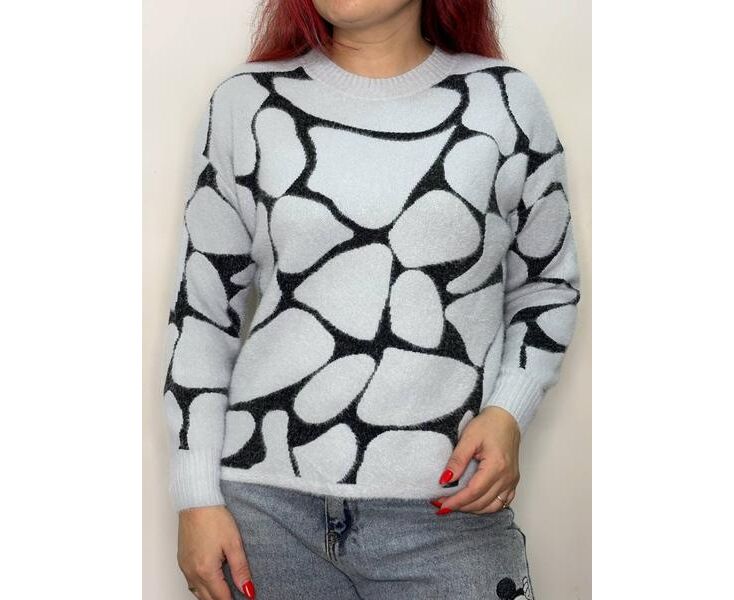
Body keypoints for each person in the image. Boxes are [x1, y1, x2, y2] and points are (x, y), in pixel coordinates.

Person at [162, 0, 581, 598]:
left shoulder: (504, 100)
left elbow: (547, 284)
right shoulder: (247, 102)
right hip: (264, 510)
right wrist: (196, 496)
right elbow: (202, 314)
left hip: (448, 507)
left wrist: (508, 411)